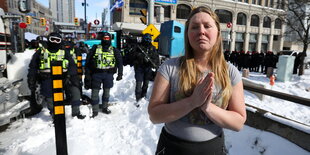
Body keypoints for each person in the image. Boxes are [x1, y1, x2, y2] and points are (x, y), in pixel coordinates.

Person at [148, 6, 246, 155]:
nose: (201, 31)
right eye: (194, 27)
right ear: (187, 34)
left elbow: (238, 122)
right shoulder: (169, 67)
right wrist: (192, 102)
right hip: (172, 148)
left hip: (212, 149)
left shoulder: (230, 72)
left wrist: (208, 107)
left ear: (218, 33)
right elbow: (155, 115)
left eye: (207, 26)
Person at [27, 32, 85, 119]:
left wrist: (70, 76)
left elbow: (72, 65)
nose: (54, 42)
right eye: (52, 39)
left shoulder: (64, 51)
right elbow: (33, 66)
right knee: (50, 98)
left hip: (63, 77)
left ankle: (76, 113)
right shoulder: (41, 51)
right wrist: (31, 79)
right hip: (47, 78)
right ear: (49, 39)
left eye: (57, 40)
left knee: (75, 92)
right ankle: (55, 116)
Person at [84, 32, 123, 117]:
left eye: (107, 38)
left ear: (110, 39)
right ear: (102, 39)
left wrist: (120, 74)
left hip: (108, 74)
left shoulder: (114, 50)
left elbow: (120, 62)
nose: (106, 40)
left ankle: (104, 107)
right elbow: (88, 62)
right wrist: (87, 75)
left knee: (106, 92)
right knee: (95, 93)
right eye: (104, 38)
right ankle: (95, 110)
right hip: (96, 74)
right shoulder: (95, 48)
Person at [129, 33, 160, 106]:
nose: (148, 40)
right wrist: (140, 56)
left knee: (146, 84)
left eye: (149, 39)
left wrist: (155, 64)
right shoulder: (138, 47)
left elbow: (156, 58)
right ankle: (138, 99)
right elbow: (132, 56)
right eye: (146, 38)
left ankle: (143, 96)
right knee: (139, 84)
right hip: (139, 68)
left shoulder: (152, 48)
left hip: (148, 68)